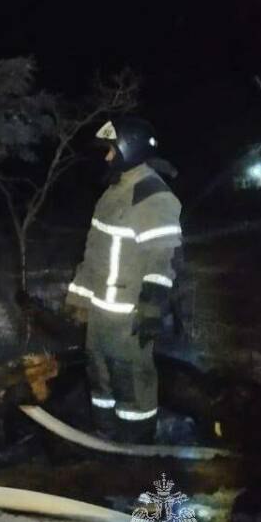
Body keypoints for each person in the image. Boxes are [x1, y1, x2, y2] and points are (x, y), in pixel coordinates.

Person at [66, 117, 182, 443]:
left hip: (129, 318)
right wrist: (79, 299)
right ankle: (104, 442)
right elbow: (94, 253)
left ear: (129, 150)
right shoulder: (114, 192)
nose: (106, 158)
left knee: (132, 386)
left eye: (111, 151)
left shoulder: (153, 197)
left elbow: (165, 259)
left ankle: (136, 452)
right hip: (101, 316)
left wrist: (152, 307)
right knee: (100, 381)